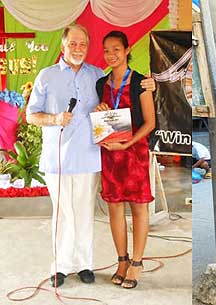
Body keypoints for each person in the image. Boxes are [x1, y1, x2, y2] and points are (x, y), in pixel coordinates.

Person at [26, 24, 154, 288]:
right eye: (72, 44)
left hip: (91, 156)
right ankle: (61, 266)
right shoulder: (46, 76)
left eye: (82, 44)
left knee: (85, 213)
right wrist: (54, 118)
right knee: (63, 214)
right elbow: (30, 115)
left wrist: (151, 83)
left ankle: (85, 264)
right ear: (63, 46)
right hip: (57, 159)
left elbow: (128, 99)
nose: (77, 49)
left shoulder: (97, 77)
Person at [94, 31, 156, 289]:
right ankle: (122, 260)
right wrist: (98, 110)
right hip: (110, 154)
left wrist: (126, 144)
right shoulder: (101, 84)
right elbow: (100, 120)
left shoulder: (141, 82)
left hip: (134, 153)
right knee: (115, 209)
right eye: (107, 50)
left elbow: (150, 123)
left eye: (116, 49)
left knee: (139, 208)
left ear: (127, 50)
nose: (111, 55)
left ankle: (137, 263)